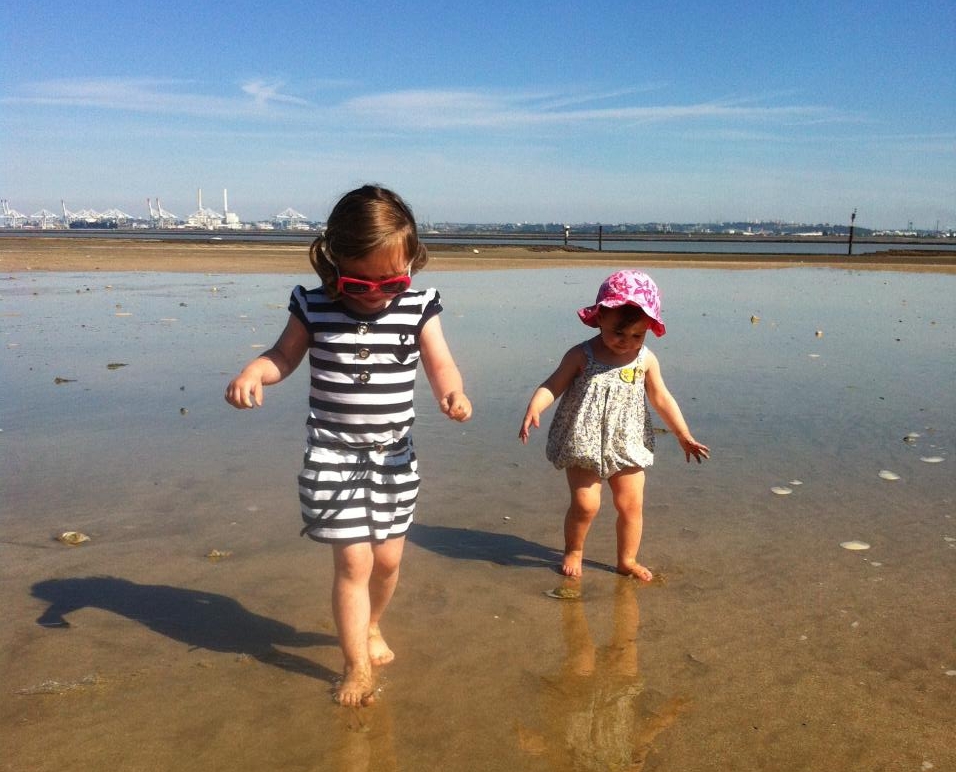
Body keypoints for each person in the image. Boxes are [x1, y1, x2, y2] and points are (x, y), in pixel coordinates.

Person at [225, 185, 471, 707]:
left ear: (412, 265)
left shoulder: (418, 307)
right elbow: (283, 357)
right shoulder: (312, 307)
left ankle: (373, 624)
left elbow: (440, 363)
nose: (379, 294)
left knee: (387, 562)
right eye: (362, 282)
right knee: (354, 565)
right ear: (334, 264)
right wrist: (255, 372)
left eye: (393, 281)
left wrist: (452, 392)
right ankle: (354, 663)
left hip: (393, 457)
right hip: (333, 456)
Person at [519, 269, 707, 581]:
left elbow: (662, 398)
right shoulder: (582, 354)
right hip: (583, 441)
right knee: (586, 504)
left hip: (628, 441)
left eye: (637, 335)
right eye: (619, 333)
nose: (626, 342)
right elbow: (554, 384)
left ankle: (627, 560)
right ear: (601, 317)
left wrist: (682, 434)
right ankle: (574, 550)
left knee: (631, 505)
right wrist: (534, 407)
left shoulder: (645, 359)